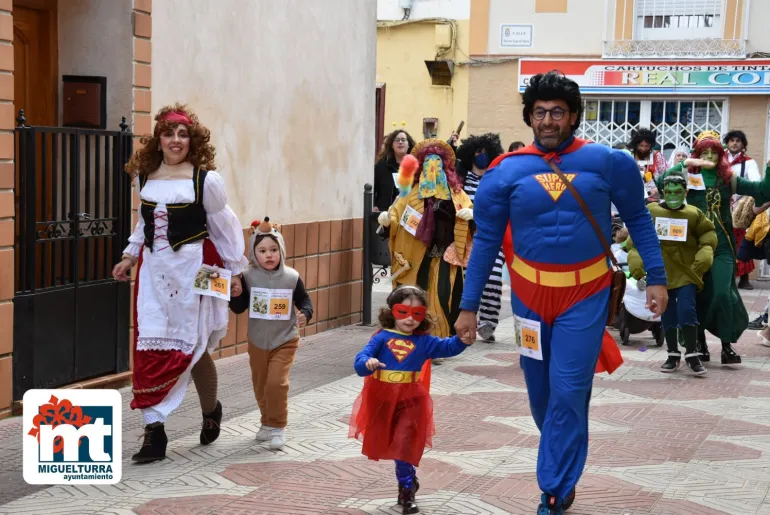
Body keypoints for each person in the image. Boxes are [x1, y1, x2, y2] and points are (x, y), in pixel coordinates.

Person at [454, 71, 668, 515]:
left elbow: (640, 220)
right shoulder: (505, 172)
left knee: (569, 389)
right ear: (529, 117)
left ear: (572, 116)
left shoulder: (610, 163)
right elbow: (486, 242)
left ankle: (553, 486)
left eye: (557, 112)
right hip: (529, 299)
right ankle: (564, 459)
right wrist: (468, 307)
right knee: (542, 395)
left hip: (584, 296)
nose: (548, 120)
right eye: (539, 112)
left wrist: (659, 277)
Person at [113, 104, 248, 463]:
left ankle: (210, 410)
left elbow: (224, 228)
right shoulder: (145, 177)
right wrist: (129, 256)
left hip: (194, 272)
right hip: (153, 274)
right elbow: (145, 224)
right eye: (169, 133)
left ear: (193, 140)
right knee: (149, 347)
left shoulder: (205, 181)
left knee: (194, 348)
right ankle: (154, 434)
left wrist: (235, 272)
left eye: (182, 134)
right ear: (158, 138)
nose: (175, 140)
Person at [349, 286, 474, 514]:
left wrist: (462, 340)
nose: (409, 319)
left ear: (423, 314)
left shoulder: (425, 342)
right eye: (403, 311)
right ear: (391, 311)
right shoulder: (382, 337)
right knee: (392, 443)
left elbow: (447, 347)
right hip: (384, 401)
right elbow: (361, 359)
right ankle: (408, 482)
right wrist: (367, 363)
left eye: (416, 314)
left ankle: (407, 493)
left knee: (405, 443)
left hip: (412, 400)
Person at [660, 130, 770, 365]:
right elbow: (662, 184)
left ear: (720, 155)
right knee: (696, 296)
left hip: (722, 246)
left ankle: (726, 345)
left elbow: (763, 191)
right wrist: (685, 165)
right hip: (693, 247)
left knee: (723, 293)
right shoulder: (686, 176)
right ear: (697, 153)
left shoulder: (727, 178)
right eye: (704, 152)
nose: (709, 156)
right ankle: (697, 341)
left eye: (714, 152)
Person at [228, 218, 313, 450]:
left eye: (274, 250)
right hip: (257, 341)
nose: (269, 255)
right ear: (254, 253)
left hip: (285, 339)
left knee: (276, 383)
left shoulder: (292, 277)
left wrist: (305, 312)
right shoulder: (247, 277)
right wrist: (234, 294)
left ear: (281, 250)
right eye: (262, 250)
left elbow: (304, 299)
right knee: (261, 385)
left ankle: (277, 426)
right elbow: (239, 307)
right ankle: (266, 422)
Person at [378, 139, 473, 339]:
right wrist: (388, 220)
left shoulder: (456, 194)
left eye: (437, 162)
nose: (433, 167)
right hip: (415, 257)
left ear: (445, 166)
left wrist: (470, 216)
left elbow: (470, 210)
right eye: (428, 162)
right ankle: (416, 337)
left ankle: (438, 340)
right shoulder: (411, 194)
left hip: (445, 255)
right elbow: (396, 214)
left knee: (443, 297)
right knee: (415, 296)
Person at [627, 169, 717, 375]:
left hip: (687, 272)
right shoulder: (652, 211)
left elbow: (708, 234)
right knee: (666, 313)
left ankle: (692, 354)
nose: (673, 196)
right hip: (661, 273)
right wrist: (637, 263)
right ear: (663, 192)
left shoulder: (694, 213)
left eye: (678, 192)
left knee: (687, 310)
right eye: (669, 192)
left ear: (685, 192)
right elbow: (636, 240)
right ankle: (673, 353)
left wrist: (704, 255)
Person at [456, 133, 506, 342]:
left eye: (486, 152)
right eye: (478, 152)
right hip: (467, 239)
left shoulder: (496, 178)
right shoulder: (462, 178)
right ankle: (467, 317)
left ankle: (488, 322)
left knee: (493, 278)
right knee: (468, 278)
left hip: (494, 236)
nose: (482, 156)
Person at [724, 130, 761, 290]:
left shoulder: (749, 162)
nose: (734, 143)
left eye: (738, 141)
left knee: (742, 242)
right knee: (724, 241)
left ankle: (744, 278)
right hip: (722, 205)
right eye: (731, 140)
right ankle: (726, 277)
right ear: (727, 143)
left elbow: (756, 183)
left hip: (741, 207)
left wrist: (744, 202)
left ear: (743, 145)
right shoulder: (720, 160)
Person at [374, 130, 416, 212]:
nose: (400, 142)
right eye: (397, 140)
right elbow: (373, 188)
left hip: (408, 215)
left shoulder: (416, 167)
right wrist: (374, 205)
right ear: (392, 145)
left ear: (408, 145)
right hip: (385, 214)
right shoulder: (381, 166)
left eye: (403, 140)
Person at [629, 128, 668, 201]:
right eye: (640, 145)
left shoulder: (657, 156)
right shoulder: (629, 156)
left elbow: (665, 175)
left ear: (651, 145)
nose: (643, 149)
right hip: (632, 196)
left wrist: (659, 188)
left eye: (646, 146)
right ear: (635, 144)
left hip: (653, 197)